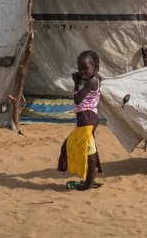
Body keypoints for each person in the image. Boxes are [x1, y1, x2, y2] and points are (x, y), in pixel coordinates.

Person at [57, 50, 102, 190]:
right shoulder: (94, 78)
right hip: (87, 118)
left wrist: (76, 83)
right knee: (87, 147)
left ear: (96, 67)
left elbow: (77, 99)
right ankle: (91, 177)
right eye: (80, 68)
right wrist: (81, 79)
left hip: (87, 118)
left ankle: (88, 183)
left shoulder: (92, 82)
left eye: (86, 68)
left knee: (87, 151)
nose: (82, 72)